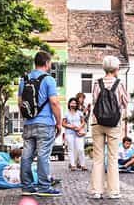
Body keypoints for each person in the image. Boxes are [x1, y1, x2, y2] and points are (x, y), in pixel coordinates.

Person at [18, 50, 62, 197]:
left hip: (28, 123)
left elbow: (20, 103)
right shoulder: (49, 80)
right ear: (47, 63)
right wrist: (59, 123)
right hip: (45, 123)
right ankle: (44, 186)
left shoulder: (24, 79)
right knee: (43, 155)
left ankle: (27, 186)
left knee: (26, 155)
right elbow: (54, 102)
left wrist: (27, 118)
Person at [88, 54, 129, 200]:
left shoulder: (96, 83)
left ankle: (97, 191)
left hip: (97, 122)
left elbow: (94, 100)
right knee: (112, 157)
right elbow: (125, 102)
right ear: (116, 68)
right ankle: (113, 191)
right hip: (113, 124)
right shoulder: (120, 83)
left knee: (98, 158)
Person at [62, 97, 88, 171]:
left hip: (79, 132)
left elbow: (83, 122)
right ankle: (73, 165)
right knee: (71, 149)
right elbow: (63, 123)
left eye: (75, 103)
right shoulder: (66, 113)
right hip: (69, 133)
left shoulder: (79, 112)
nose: (73, 104)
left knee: (80, 149)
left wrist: (79, 127)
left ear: (77, 104)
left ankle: (83, 165)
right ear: (69, 104)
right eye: (72, 103)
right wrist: (71, 126)